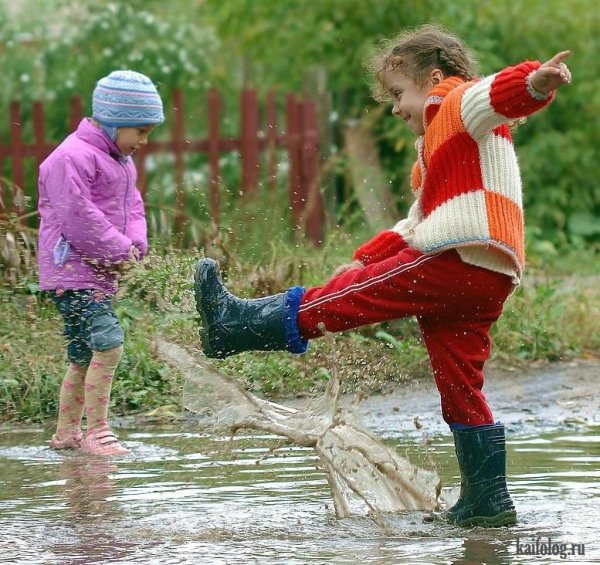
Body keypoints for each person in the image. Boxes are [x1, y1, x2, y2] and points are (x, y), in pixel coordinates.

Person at [193, 25, 571, 526]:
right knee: (460, 382)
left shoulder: (456, 103)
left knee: (349, 299)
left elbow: (495, 94)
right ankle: (488, 503)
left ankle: (236, 326)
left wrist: (535, 82)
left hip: (458, 259)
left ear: (434, 78)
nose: (395, 107)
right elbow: (416, 224)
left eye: (399, 93)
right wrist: (366, 259)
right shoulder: (442, 149)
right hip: (487, 274)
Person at [38, 70, 164, 456]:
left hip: (98, 271)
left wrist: (135, 246)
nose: (144, 142)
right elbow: (79, 217)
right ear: (113, 122)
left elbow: (135, 206)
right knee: (108, 346)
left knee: (81, 353)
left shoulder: (119, 159)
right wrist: (119, 252)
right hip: (73, 273)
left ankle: (66, 435)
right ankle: (99, 431)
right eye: (140, 132)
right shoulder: (70, 158)